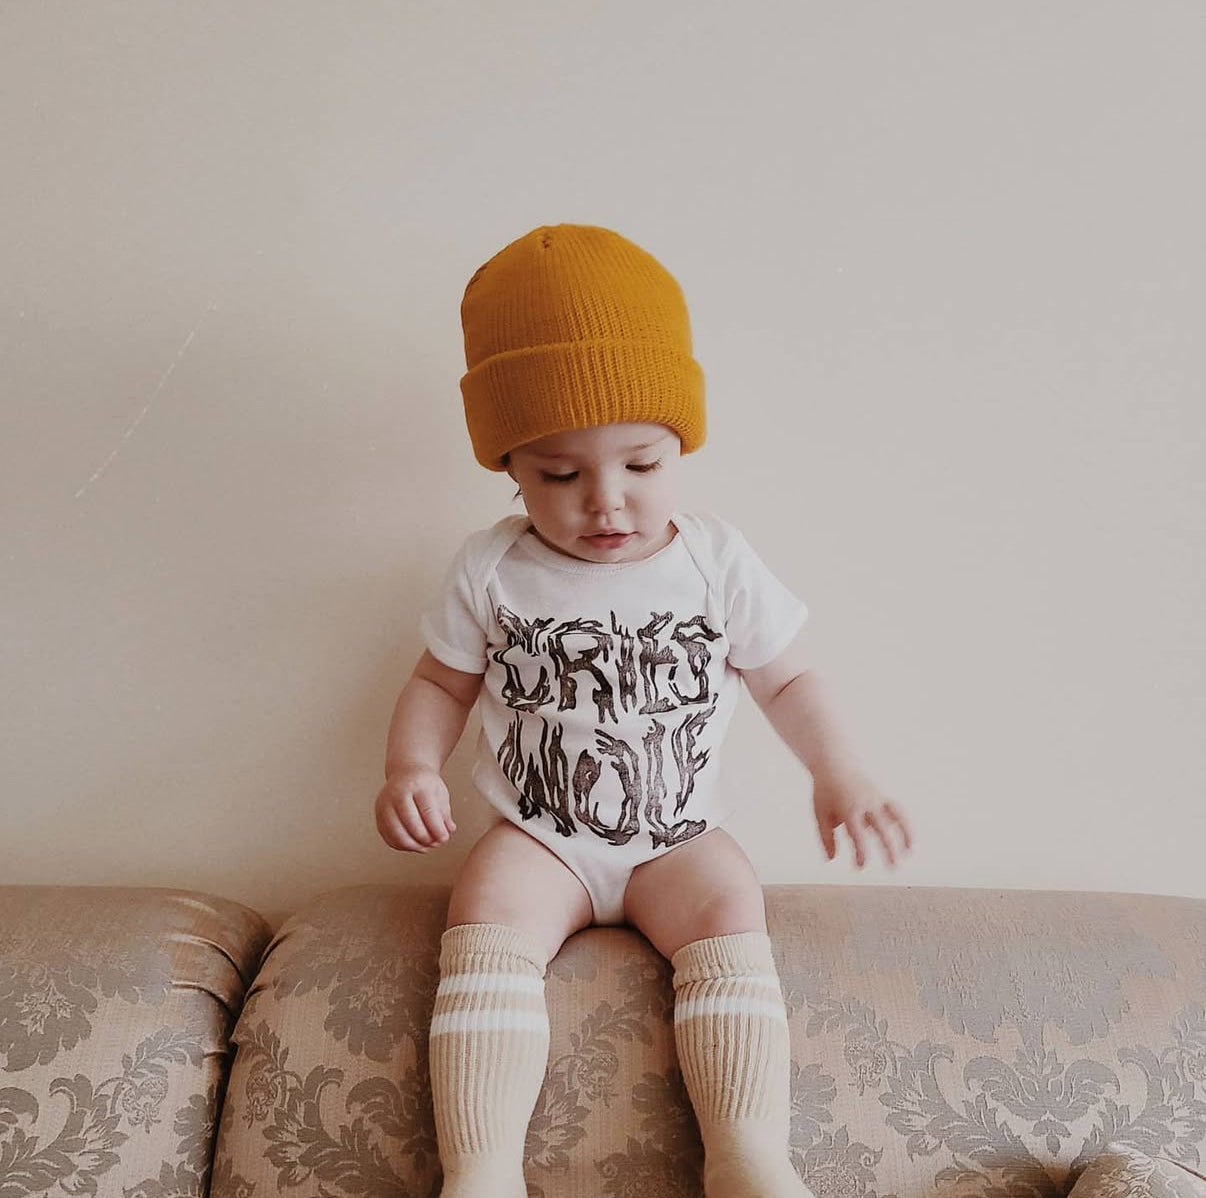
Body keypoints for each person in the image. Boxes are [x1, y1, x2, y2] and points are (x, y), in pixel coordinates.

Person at [374, 223, 913, 1198]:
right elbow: (440, 683)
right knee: (485, 910)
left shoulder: (713, 559)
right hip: (540, 837)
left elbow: (787, 678)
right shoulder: (492, 568)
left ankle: (748, 1158)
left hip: (678, 838)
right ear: (510, 467)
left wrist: (840, 771)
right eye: (562, 474)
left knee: (731, 903)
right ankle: (481, 1171)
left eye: (643, 464)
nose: (608, 501)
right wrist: (411, 766)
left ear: (680, 447)